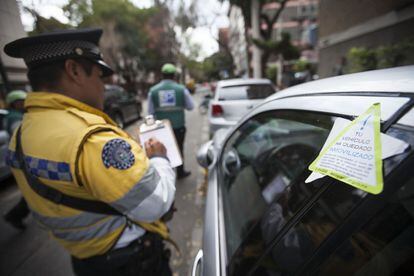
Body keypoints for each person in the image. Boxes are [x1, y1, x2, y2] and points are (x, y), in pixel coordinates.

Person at [4, 28, 176, 275]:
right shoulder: (93, 139)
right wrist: (158, 157)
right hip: (133, 263)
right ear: (74, 70)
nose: (103, 87)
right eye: (98, 76)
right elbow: (155, 202)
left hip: (85, 260)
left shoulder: (20, 135)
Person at [148, 63, 194, 179]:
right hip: (179, 126)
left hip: (162, 127)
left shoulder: (153, 91)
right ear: (174, 76)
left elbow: (150, 112)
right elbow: (190, 107)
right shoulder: (181, 89)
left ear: (162, 75)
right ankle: (180, 173)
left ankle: (166, 176)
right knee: (179, 149)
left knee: (164, 150)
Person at [3, 90, 30, 230]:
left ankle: (15, 215)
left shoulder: (17, 115)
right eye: (20, 102)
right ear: (14, 104)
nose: (23, 103)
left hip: (20, 158)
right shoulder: (15, 118)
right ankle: (15, 215)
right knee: (33, 190)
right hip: (22, 159)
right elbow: (22, 138)